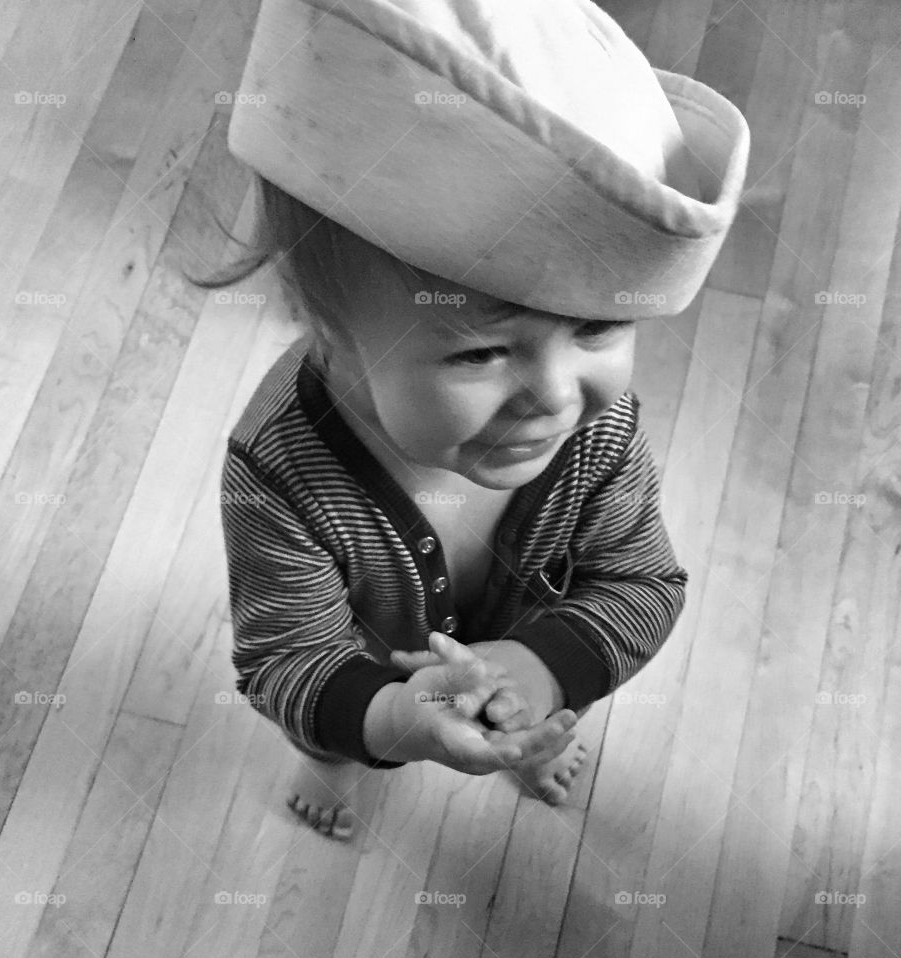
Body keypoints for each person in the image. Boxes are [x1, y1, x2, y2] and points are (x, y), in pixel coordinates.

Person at [189, 0, 750, 840]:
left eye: (595, 327)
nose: (557, 395)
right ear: (328, 325)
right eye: (481, 353)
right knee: (334, 719)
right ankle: (339, 759)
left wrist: (537, 668)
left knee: (527, 711)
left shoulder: (595, 435)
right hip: (367, 668)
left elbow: (640, 583)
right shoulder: (279, 474)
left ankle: (522, 734)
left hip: (530, 651)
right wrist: (396, 721)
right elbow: (286, 657)